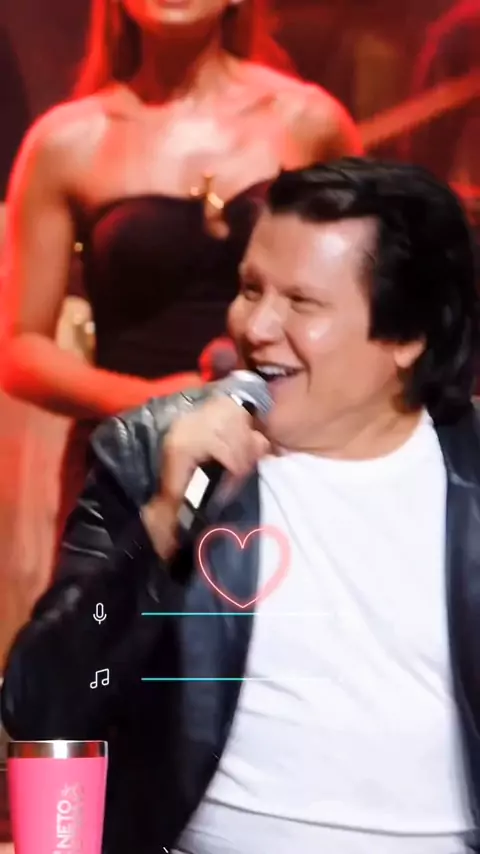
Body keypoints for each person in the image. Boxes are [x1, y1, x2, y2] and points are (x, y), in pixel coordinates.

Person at [7, 157, 480, 854]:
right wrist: (160, 526)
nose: (255, 326)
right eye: (250, 289)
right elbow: (45, 702)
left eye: (302, 303)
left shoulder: (466, 474)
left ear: (406, 335)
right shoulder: (152, 453)